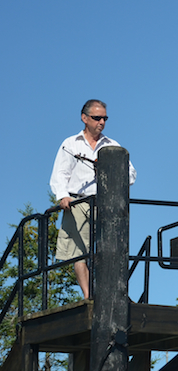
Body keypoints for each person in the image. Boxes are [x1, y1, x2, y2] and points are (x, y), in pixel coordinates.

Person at [49, 99, 137, 298]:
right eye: (97, 118)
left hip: (107, 205)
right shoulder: (70, 144)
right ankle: (89, 296)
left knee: (109, 250)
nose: (102, 122)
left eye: (105, 118)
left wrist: (109, 170)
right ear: (84, 118)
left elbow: (131, 175)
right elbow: (60, 173)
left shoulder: (113, 145)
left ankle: (110, 294)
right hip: (77, 202)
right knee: (79, 252)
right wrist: (63, 196)